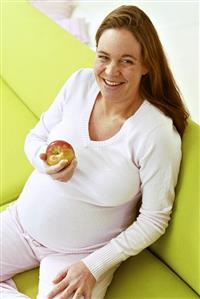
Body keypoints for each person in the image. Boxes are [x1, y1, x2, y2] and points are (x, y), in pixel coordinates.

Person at [0, 5, 189, 299]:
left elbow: (154, 219)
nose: (111, 71)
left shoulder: (157, 134)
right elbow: (36, 137)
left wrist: (92, 267)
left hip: (78, 257)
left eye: (126, 61)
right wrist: (45, 161)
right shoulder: (79, 83)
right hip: (20, 224)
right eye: (103, 57)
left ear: (147, 66)